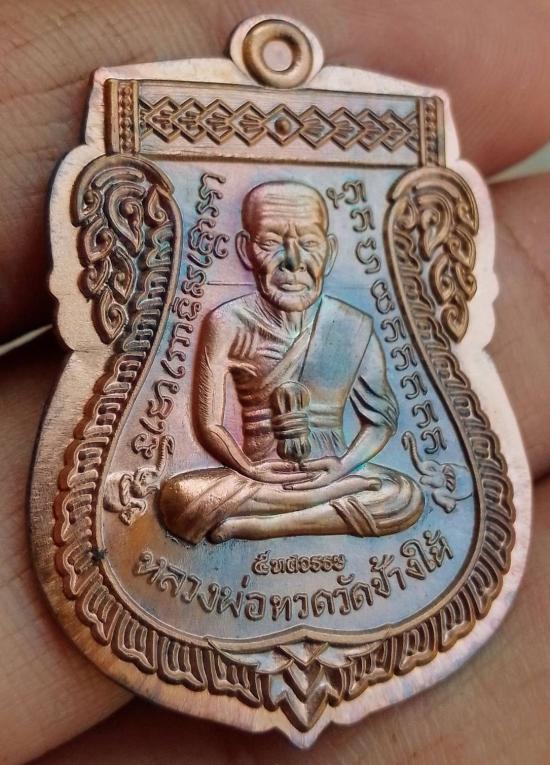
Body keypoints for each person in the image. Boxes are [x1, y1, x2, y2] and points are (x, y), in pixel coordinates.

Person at [160, 181, 423, 542]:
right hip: (260, 475)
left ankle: (266, 525)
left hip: (331, 473)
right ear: (246, 250)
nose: (294, 261)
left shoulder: (352, 325)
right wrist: (250, 469)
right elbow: (210, 424)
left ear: (330, 252)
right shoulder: (227, 322)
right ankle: (318, 508)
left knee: (404, 496)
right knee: (178, 499)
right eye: (271, 243)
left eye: (310, 244)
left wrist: (343, 467)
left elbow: (380, 421)